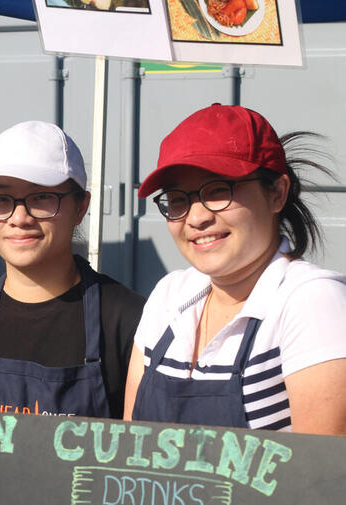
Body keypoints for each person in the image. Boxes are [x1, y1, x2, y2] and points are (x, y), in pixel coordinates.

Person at [124, 104, 346, 435]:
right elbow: (129, 448)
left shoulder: (312, 301)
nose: (197, 218)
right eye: (178, 199)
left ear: (277, 194)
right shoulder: (169, 297)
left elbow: (318, 478)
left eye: (218, 191)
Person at [0, 121, 144, 418]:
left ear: (81, 207)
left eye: (41, 197)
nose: (19, 218)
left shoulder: (130, 322)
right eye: (0, 199)